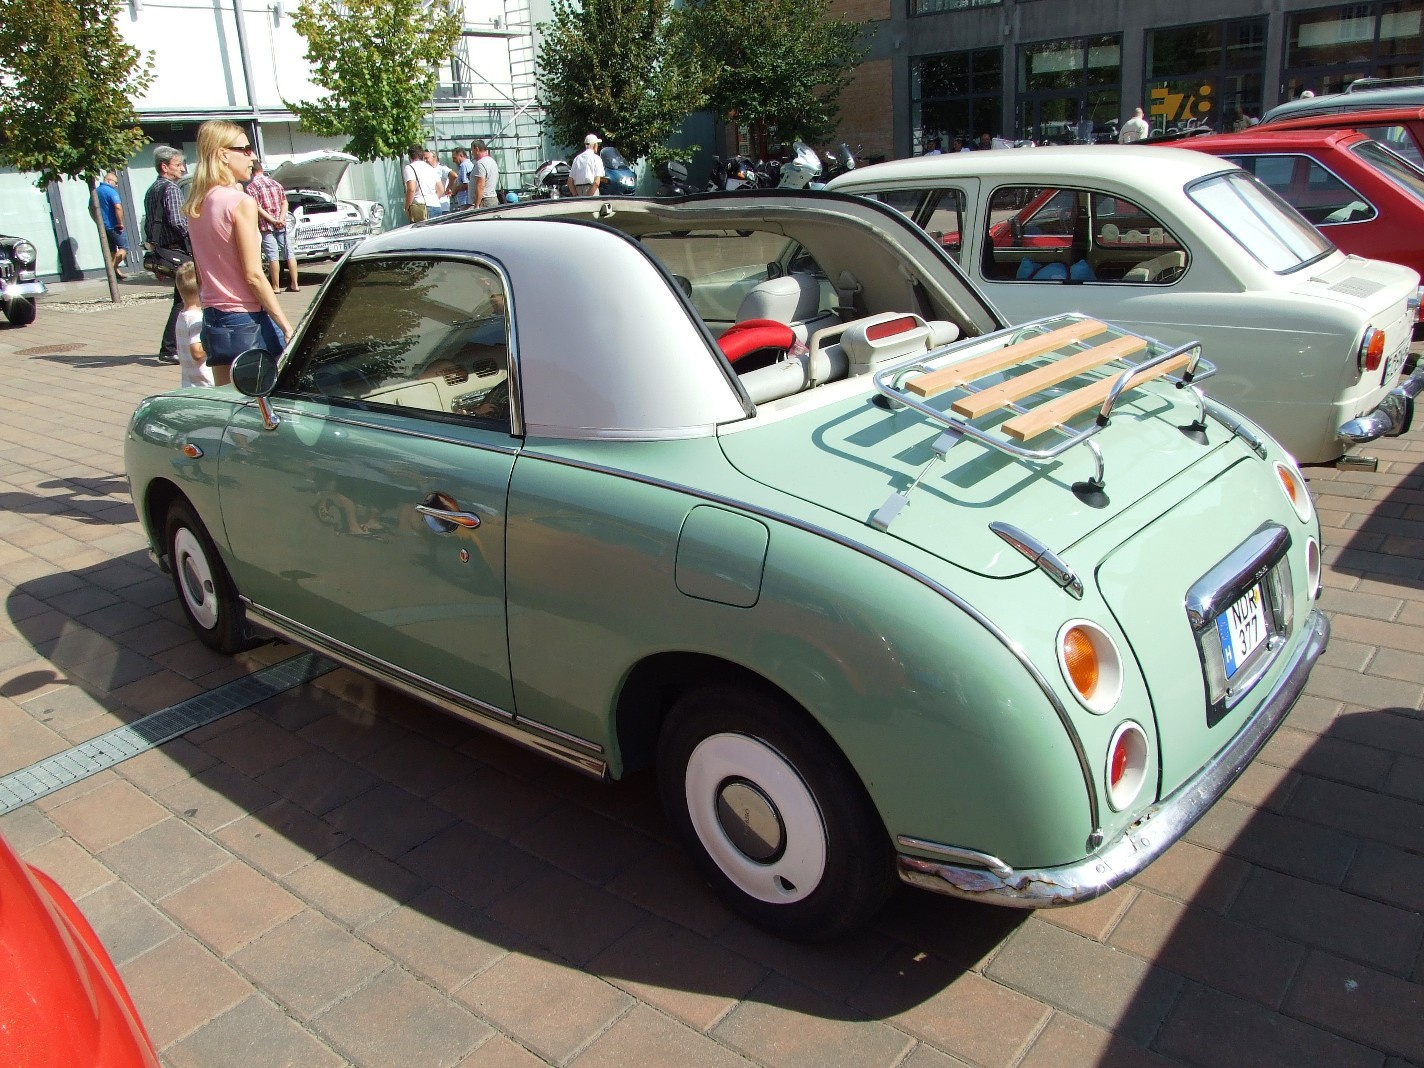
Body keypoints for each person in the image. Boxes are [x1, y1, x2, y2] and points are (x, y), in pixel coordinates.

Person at [183, 120, 293, 388]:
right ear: (223, 154)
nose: (252, 156)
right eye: (244, 149)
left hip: (214, 316)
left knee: (229, 401)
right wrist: (286, 325)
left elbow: (201, 269)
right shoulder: (240, 203)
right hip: (246, 316)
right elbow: (254, 275)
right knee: (275, 398)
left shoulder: (196, 204)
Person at [143, 145, 190, 364]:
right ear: (165, 167)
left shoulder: (152, 189)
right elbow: (178, 222)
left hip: (164, 250)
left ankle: (176, 346)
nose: (182, 169)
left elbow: (150, 223)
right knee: (186, 298)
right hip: (177, 250)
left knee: (182, 298)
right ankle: (170, 348)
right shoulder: (170, 189)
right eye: (178, 164)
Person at [245, 158, 298, 293]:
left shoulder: (251, 188)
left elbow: (257, 208)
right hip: (282, 224)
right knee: (289, 253)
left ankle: (276, 286)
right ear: (262, 170)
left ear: (252, 171)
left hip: (266, 226)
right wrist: (280, 218)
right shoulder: (276, 183)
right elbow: (284, 203)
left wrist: (272, 220)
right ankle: (295, 284)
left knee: (272, 256)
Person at [172, 261, 213, 388]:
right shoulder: (197, 319)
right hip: (205, 384)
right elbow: (197, 352)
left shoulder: (182, 316)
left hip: (189, 382)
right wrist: (215, 342)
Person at [96, 171, 128, 278]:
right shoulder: (110, 191)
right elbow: (118, 207)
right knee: (124, 248)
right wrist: (120, 223)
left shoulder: (96, 192)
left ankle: (116, 273)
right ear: (109, 181)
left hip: (103, 226)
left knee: (112, 250)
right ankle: (112, 268)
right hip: (114, 225)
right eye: (116, 182)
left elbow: (90, 208)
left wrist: (97, 221)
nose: (117, 185)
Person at [402, 145, 442, 222]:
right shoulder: (431, 168)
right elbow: (441, 189)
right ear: (422, 156)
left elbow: (411, 189)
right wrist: (433, 199)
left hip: (421, 208)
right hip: (436, 206)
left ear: (410, 156)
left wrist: (407, 207)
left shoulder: (410, 167)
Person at [471, 140, 499, 207]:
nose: (472, 153)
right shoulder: (492, 161)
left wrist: (477, 205)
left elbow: (480, 185)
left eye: (472, 150)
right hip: (492, 198)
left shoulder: (480, 163)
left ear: (477, 149)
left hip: (484, 201)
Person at [426, 150, 452, 216]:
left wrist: (449, 188)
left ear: (434, 158)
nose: (425, 160)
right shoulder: (428, 169)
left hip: (442, 206)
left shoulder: (441, 168)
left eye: (427, 158)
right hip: (432, 206)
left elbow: (454, 175)